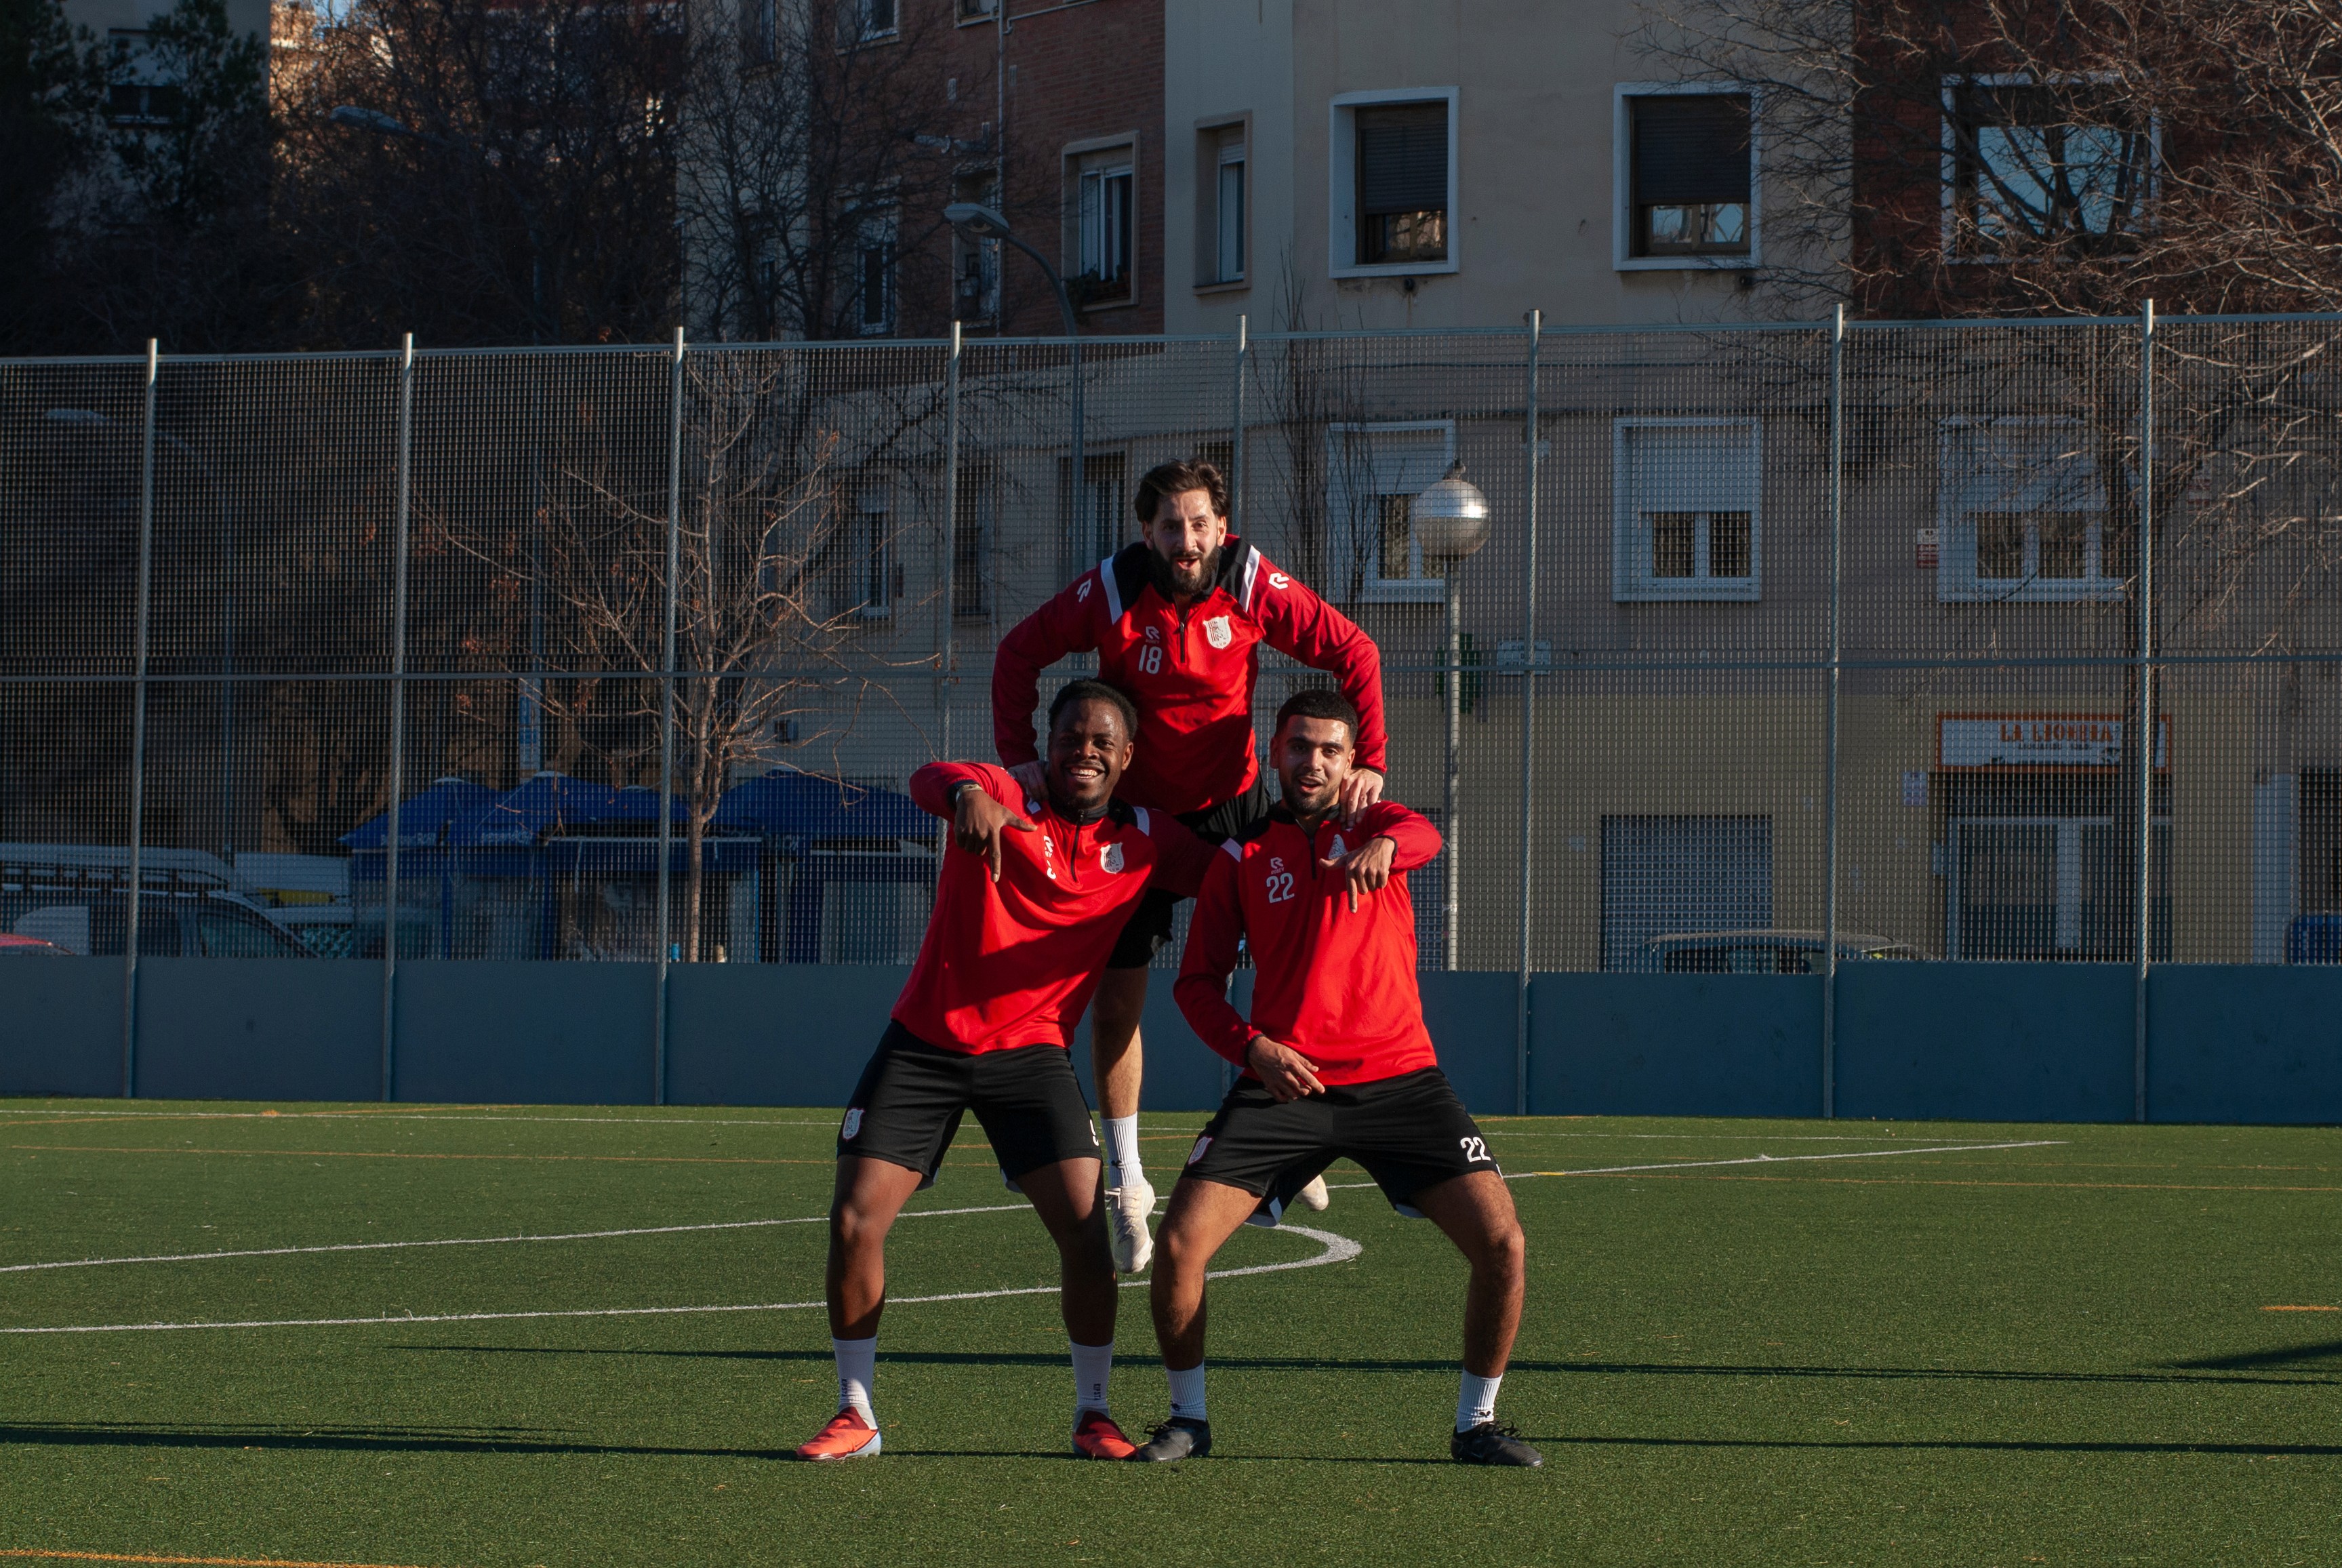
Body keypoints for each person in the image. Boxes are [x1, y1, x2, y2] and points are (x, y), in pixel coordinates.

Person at [796, 679, 1213, 1464]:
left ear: (1126, 757)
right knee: (854, 1219)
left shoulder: (1148, 840)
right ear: (1045, 746)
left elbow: (1239, 872)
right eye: (1069, 738)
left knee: (1088, 1234)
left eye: (1099, 742)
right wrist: (966, 796)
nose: (1081, 752)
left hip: (1031, 1058)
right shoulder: (1001, 791)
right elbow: (929, 777)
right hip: (926, 1045)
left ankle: (1093, 1412)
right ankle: (856, 1414)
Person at [992, 458, 1386, 1271]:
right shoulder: (1108, 591)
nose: (1187, 540)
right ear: (1146, 531)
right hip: (1133, 822)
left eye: (1200, 522)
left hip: (1234, 809)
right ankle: (1130, 1185)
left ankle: (1285, 1134)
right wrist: (1020, 762)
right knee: (1117, 1002)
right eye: (1170, 525)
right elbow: (1015, 658)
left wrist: (1369, 759)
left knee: (1290, 967)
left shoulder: (1250, 583)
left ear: (1221, 525)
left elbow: (1355, 651)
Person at [1131, 688, 1541, 1468]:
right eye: (1298, 747)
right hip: (1285, 1083)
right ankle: (1188, 1420)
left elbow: (1422, 835)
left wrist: (1381, 844)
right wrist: (1252, 1048)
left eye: (1328, 750)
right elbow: (1195, 985)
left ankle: (1475, 1425)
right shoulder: (1240, 855)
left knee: (1503, 1244)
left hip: (1401, 1081)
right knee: (1180, 1244)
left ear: (1353, 762)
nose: (1312, 762)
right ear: (1274, 752)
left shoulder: (1385, 826)